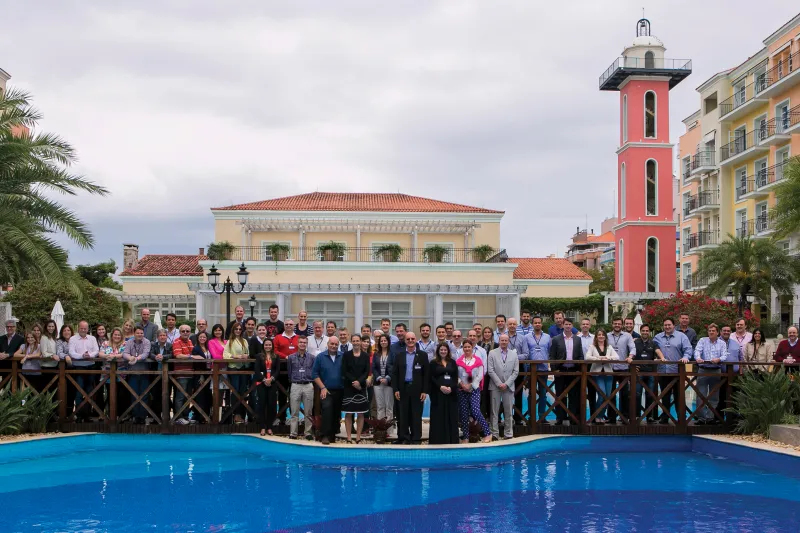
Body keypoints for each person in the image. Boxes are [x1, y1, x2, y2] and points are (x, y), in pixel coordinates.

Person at [391, 332, 429, 445]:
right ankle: (404, 437)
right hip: (403, 389)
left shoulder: (422, 355)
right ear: (405, 341)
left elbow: (426, 374)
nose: (410, 340)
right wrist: (396, 389)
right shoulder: (399, 355)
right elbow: (394, 374)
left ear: (416, 339)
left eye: (412, 338)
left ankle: (416, 438)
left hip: (417, 390)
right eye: (408, 339)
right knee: (403, 415)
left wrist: (424, 391)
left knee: (416, 415)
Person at [653, 318, 692, 424]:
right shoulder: (657, 337)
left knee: (679, 395)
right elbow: (653, 349)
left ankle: (681, 417)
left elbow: (688, 349)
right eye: (665, 325)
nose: (667, 327)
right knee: (664, 396)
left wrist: (686, 357)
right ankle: (665, 417)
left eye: (669, 325)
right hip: (662, 371)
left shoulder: (681, 336)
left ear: (674, 325)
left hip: (677, 371)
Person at [456, 340, 492, 443]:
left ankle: (488, 433)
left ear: (472, 348)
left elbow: (480, 375)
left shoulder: (478, 361)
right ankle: (466, 437)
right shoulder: (458, 361)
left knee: (476, 411)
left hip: (474, 390)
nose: (467, 349)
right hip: (462, 390)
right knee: (464, 413)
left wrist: (471, 386)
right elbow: (457, 375)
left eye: (469, 347)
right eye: (465, 347)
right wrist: (462, 384)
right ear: (463, 349)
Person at [549, 318, 583, 425]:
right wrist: (555, 370)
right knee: (560, 395)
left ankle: (572, 417)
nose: (568, 326)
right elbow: (552, 356)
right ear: (563, 325)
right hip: (561, 370)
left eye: (570, 324)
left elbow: (581, 355)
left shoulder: (578, 339)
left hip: (573, 370)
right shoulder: (556, 339)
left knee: (574, 395)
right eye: (566, 324)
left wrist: (579, 368)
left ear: (572, 326)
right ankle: (560, 417)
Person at [693, 324, 729, 424]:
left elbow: (725, 355)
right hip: (703, 369)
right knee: (701, 394)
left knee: (714, 396)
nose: (711, 332)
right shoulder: (702, 340)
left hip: (716, 370)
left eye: (713, 331)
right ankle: (701, 418)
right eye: (710, 330)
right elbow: (697, 351)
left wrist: (719, 359)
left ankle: (710, 417)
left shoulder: (722, 343)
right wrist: (698, 358)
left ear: (717, 332)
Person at [312, 336, 344, 445]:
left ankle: (332, 435)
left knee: (336, 412)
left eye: (336, 344)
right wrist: (322, 387)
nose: (334, 346)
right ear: (327, 344)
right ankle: (324, 435)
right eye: (332, 344)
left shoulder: (343, 356)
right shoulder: (320, 357)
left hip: (340, 389)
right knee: (327, 409)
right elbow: (314, 374)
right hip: (326, 390)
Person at [487, 334, 519, 439]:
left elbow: (516, 371)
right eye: (502, 340)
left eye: (506, 340)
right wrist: (499, 383)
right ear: (499, 341)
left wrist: (506, 384)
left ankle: (508, 434)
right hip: (495, 386)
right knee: (494, 411)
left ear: (508, 341)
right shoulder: (492, 353)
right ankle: (494, 434)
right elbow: (490, 370)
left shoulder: (514, 354)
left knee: (508, 411)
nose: (504, 342)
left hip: (508, 387)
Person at [584, 329, 618, 424]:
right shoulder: (592, 346)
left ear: (605, 337)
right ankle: (597, 416)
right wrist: (598, 358)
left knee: (608, 396)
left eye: (603, 335)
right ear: (596, 336)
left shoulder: (609, 347)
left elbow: (616, 357)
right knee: (601, 394)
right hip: (597, 374)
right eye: (599, 334)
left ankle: (600, 416)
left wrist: (608, 358)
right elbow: (587, 357)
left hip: (608, 373)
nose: (601, 336)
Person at [428, 342, 459, 444]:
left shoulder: (453, 362)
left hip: (451, 394)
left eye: (445, 350)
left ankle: (451, 439)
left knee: (451, 415)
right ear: (438, 351)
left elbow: (455, 377)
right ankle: (438, 439)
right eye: (441, 350)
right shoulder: (433, 363)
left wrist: (451, 388)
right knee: (438, 416)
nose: (443, 351)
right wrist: (440, 386)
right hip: (438, 393)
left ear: (448, 351)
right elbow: (431, 377)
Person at [69, 321, 100, 422]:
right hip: (78, 367)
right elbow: (71, 352)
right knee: (79, 392)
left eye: (85, 328)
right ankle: (79, 415)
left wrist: (89, 355)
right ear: (78, 328)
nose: (83, 330)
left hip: (90, 367)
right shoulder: (73, 339)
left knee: (89, 392)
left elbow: (96, 351)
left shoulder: (92, 338)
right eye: (81, 328)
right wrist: (82, 356)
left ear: (88, 329)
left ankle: (87, 415)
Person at [342, 334, 370, 443]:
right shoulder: (346, 355)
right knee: (348, 413)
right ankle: (349, 437)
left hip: (361, 387)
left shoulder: (365, 356)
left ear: (360, 341)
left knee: (361, 413)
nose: (356, 343)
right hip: (349, 387)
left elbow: (366, 371)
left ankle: (358, 437)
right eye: (354, 341)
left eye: (357, 340)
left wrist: (359, 382)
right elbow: (344, 371)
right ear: (351, 342)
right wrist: (354, 381)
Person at [607, 318, 636, 424]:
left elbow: (633, 348)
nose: (617, 325)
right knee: (611, 394)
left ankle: (624, 416)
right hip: (610, 368)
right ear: (612, 324)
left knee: (624, 394)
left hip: (623, 368)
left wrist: (631, 356)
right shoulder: (607, 335)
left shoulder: (627, 336)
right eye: (615, 323)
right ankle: (611, 417)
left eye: (619, 324)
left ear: (622, 325)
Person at [287, 336, 315, 440]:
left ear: (307, 344)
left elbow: (314, 371)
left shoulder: (312, 358)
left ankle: (307, 432)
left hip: (308, 385)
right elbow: (289, 373)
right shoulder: (291, 357)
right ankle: (293, 433)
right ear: (297, 344)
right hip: (295, 384)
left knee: (308, 411)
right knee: (294, 411)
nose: (302, 344)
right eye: (301, 342)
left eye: (304, 342)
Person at [633, 324, 661, 423]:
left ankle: (649, 416)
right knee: (637, 394)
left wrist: (661, 358)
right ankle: (636, 416)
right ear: (640, 332)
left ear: (649, 332)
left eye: (647, 331)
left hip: (650, 372)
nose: (645, 332)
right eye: (643, 330)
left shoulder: (653, 343)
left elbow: (658, 351)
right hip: (638, 372)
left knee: (650, 394)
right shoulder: (635, 342)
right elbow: (631, 354)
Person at [525, 316, 551, 422]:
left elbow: (549, 351)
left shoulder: (547, 337)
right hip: (531, 370)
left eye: (539, 323)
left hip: (543, 369)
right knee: (531, 394)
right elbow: (526, 352)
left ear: (542, 324)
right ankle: (531, 416)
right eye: (535, 323)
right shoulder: (526, 337)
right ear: (532, 324)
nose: (537, 324)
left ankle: (542, 416)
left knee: (543, 394)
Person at [223, 323, 250, 424]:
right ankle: (236, 414)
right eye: (236, 329)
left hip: (243, 368)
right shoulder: (230, 341)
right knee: (235, 391)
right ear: (233, 330)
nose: (238, 330)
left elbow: (248, 353)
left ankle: (242, 414)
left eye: (240, 329)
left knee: (243, 391)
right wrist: (236, 357)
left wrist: (246, 356)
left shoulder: (245, 341)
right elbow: (225, 355)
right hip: (234, 368)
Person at [125, 326, 152, 424]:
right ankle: (136, 416)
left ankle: (143, 416)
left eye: (141, 333)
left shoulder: (147, 342)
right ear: (134, 333)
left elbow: (146, 354)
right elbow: (125, 353)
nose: (140, 335)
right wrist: (130, 357)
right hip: (132, 373)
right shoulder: (129, 342)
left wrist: (136, 359)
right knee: (134, 394)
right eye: (138, 333)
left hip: (145, 372)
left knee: (144, 395)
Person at [171, 324, 198, 425]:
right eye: (183, 331)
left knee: (188, 396)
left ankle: (185, 416)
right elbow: (178, 355)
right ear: (180, 332)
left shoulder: (190, 342)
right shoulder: (177, 341)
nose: (185, 333)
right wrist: (191, 356)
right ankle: (178, 417)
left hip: (190, 373)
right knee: (180, 396)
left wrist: (190, 356)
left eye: (187, 331)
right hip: (181, 373)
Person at [273, 318, 298, 424]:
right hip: (282, 368)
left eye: (290, 324)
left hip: (295, 369)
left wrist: (293, 357)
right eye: (286, 324)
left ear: (294, 326)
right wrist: (286, 357)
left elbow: (302, 348)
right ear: (284, 326)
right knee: (282, 394)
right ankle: (282, 417)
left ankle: (294, 417)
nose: (288, 326)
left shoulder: (298, 337)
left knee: (294, 394)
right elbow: (275, 350)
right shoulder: (278, 337)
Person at [505, 319, 529, 425]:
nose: (512, 326)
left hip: (519, 368)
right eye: (510, 324)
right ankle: (507, 418)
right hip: (505, 368)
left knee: (518, 394)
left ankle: (518, 418)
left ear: (517, 325)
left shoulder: (522, 338)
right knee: (506, 394)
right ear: (507, 325)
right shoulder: (503, 337)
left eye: (514, 324)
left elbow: (526, 354)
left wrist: (513, 357)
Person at [254, 338, 278, 436]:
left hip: (272, 383)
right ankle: (262, 427)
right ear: (263, 346)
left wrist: (271, 379)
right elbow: (256, 370)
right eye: (266, 345)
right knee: (262, 404)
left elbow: (277, 370)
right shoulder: (259, 357)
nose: (268, 346)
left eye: (269, 345)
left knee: (272, 405)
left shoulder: (276, 356)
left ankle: (269, 427)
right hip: (261, 383)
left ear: (272, 346)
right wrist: (264, 380)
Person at [189, 330, 213, 423]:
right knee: (199, 395)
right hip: (200, 375)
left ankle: (206, 415)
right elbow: (196, 364)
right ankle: (198, 416)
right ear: (198, 339)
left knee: (207, 395)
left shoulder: (208, 348)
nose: (202, 339)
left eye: (204, 337)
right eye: (200, 337)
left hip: (208, 373)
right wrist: (201, 375)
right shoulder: (196, 349)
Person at [150, 328, 173, 420]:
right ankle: (156, 416)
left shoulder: (170, 345)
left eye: (164, 335)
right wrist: (155, 357)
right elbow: (150, 354)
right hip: (155, 374)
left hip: (167, 375)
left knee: (167, 394)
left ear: (166, 337)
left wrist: (163, 357)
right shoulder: (153, 345)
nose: (162, 337)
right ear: (157, 337)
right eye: (160, 335)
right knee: (156, 395)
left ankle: (166, 416)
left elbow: (172, 354)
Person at [372, 334, 395, 423]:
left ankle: (388, 429)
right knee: (380, 406)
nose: (383, 342)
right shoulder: (376, 354)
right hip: (378, 383)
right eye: (381, 341)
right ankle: (381, 429)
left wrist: (387, 378)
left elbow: (394, 367)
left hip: (389, 383)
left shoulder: (392, 354)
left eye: (385, 340)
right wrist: (379, 378)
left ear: (388, 342)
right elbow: (373, 367)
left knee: (389, 407)